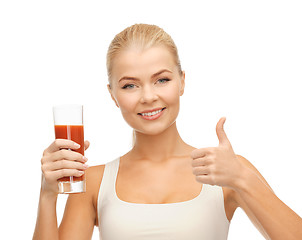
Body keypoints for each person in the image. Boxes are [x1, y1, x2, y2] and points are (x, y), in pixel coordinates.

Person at [33, 23, 302, 240]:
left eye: (162, 80)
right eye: (130, 85)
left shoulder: (226, 170)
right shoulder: (93, 182)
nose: (149, 96)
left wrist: (243, 178)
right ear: (112, 95)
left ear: (182, 81)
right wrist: (47, 195)